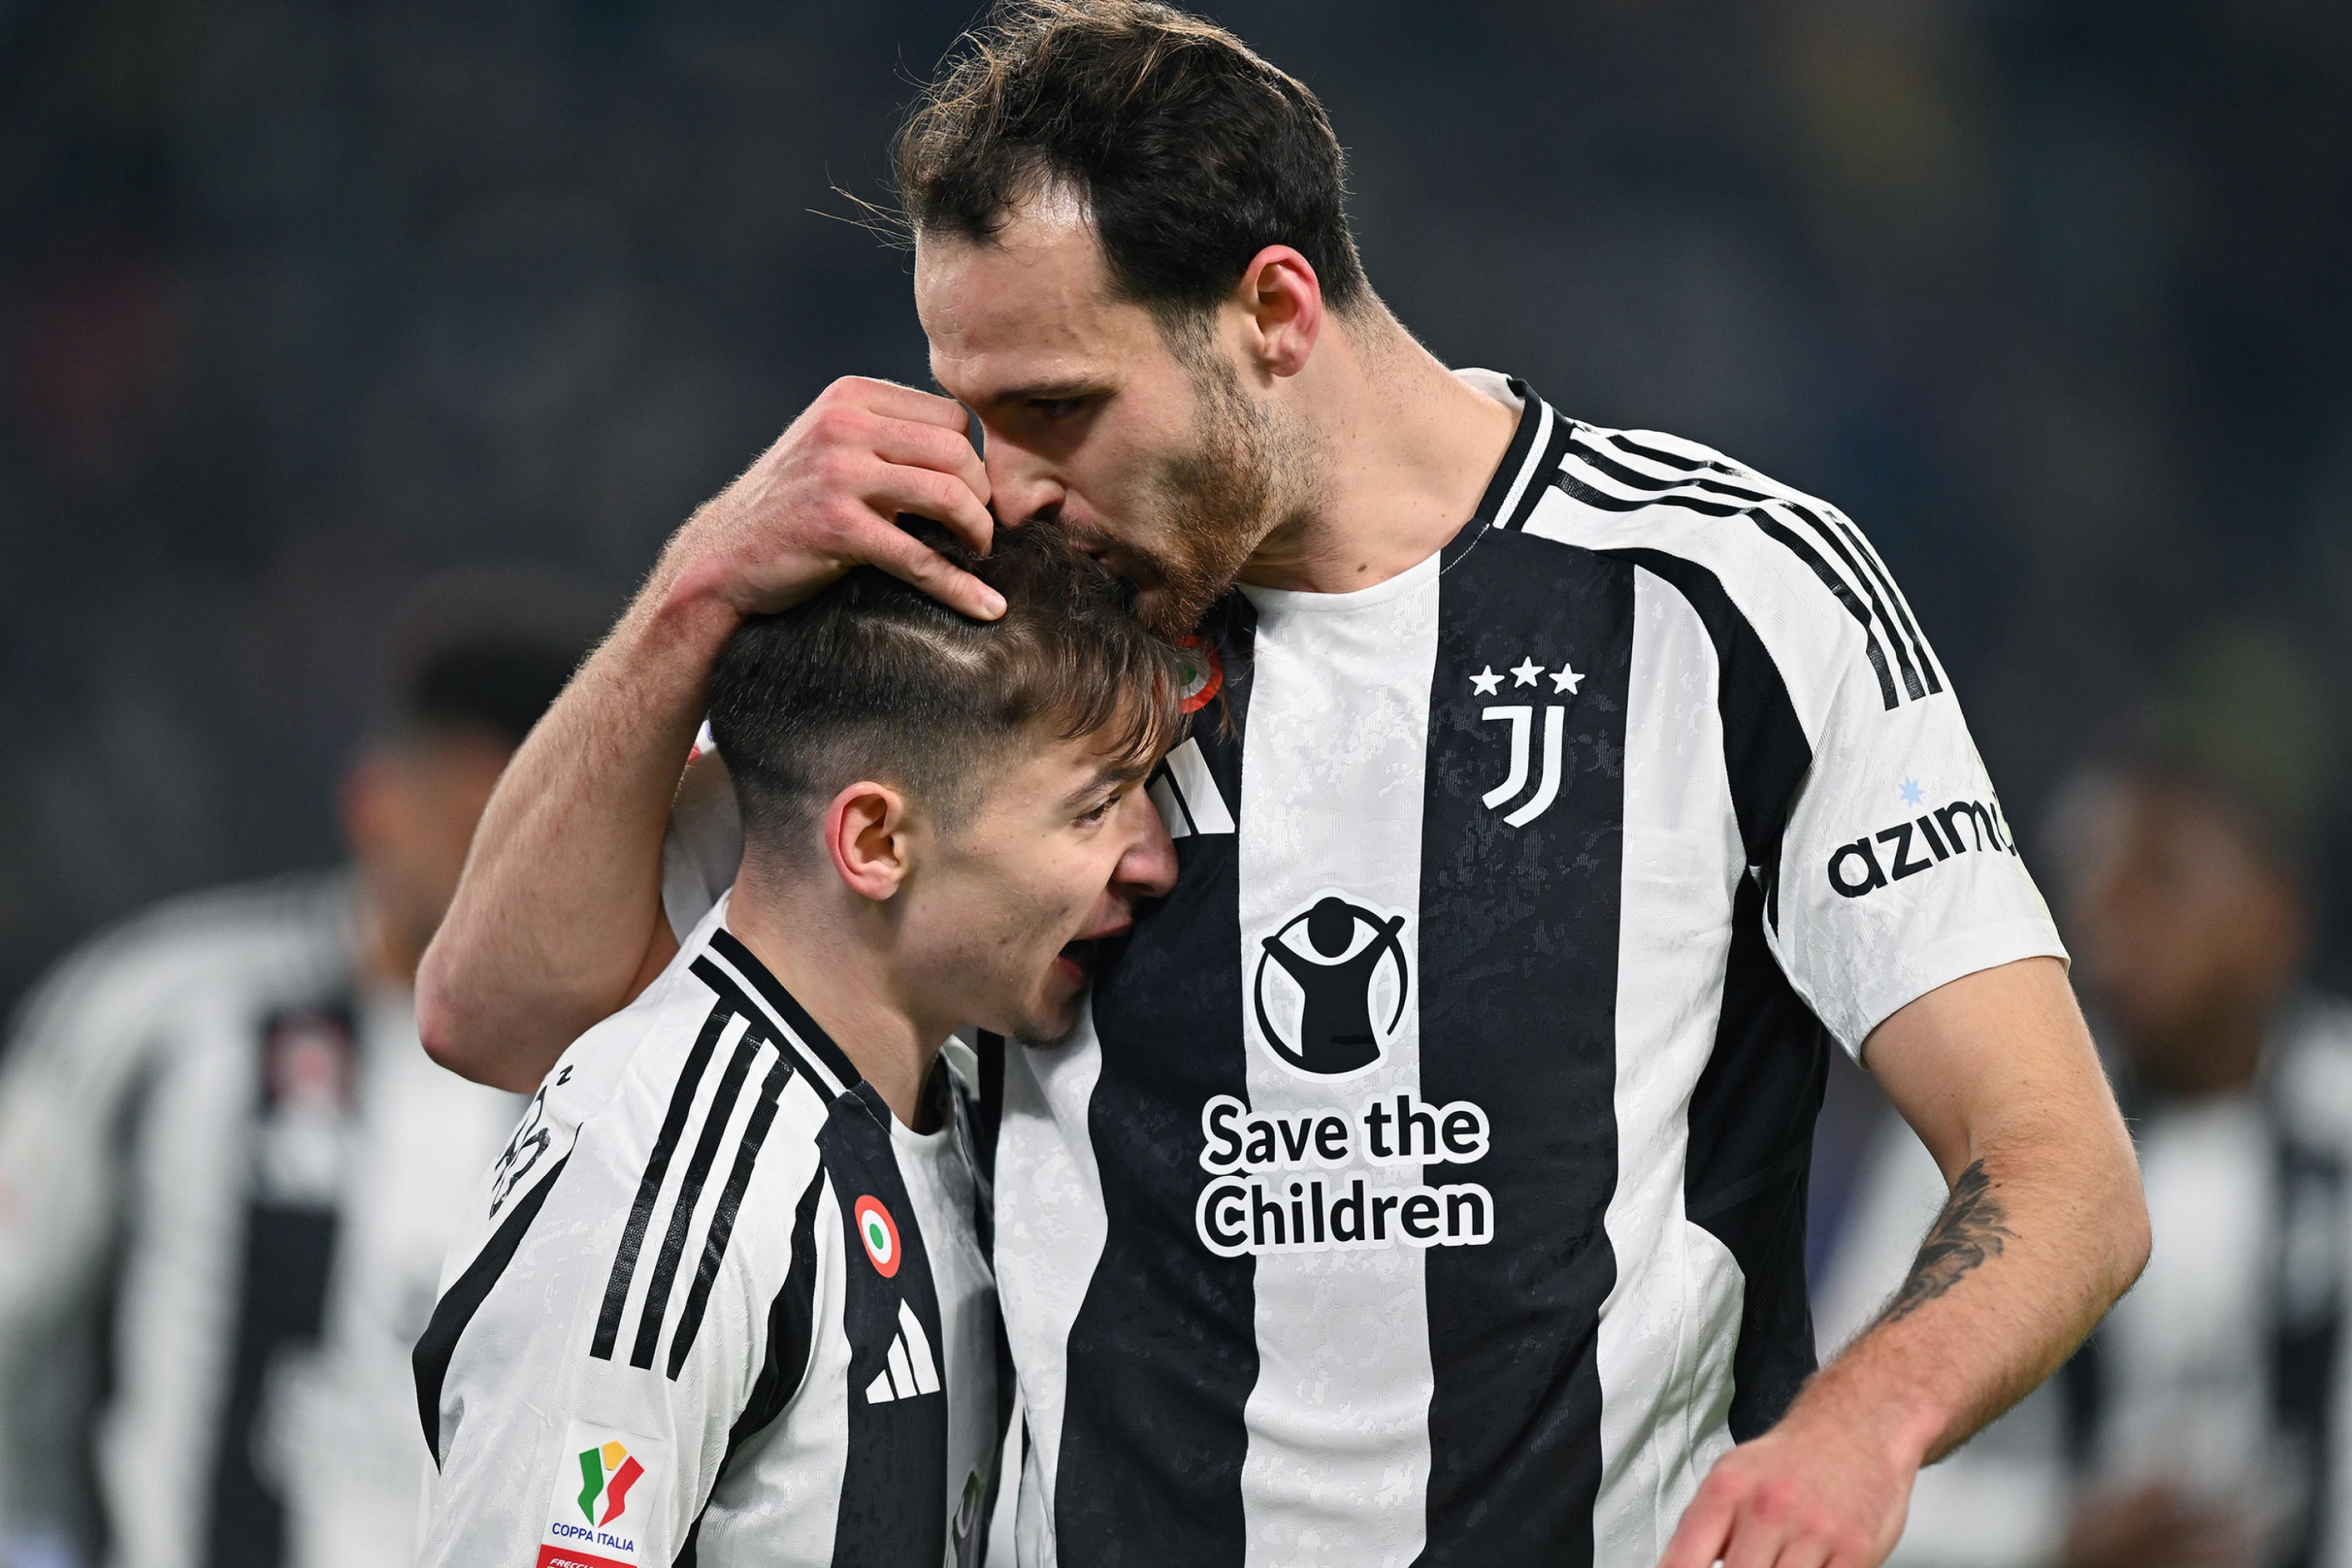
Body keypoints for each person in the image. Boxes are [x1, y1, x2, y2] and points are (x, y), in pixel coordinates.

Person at [416, 4, 2152, 1564]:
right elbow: (510, 1007)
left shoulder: (1735, 598)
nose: (1009, 481)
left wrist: (1865, 1421)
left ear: (1273, 310)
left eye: (1058, 406)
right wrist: (696, 588)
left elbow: (2059, 1163)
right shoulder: (1015, 628)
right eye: (975, 410)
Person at [415, 522, 1182, 1566]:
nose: (1152, 860)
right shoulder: (672, 1193)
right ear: (874, 843)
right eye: (1094, 809)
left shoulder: (946, 1098)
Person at [0, 581, 594, 1568]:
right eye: (462, 813)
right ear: (373, 800)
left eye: (527, 819)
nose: (488, 856)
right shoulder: (159, 1019)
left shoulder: (627, 1091)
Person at [1817, 750, 2352, 1568]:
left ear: (2274, 913)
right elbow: (1837, 1445)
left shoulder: (2334, 1118)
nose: (2113, 919)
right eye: (2098, 885)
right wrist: (2049, 1533)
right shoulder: (1983, 1124)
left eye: (2162, 879)